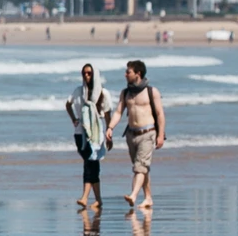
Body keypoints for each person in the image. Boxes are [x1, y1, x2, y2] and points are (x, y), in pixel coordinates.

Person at [106, 60, 165, 209]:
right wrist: (110, 127)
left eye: (128, 72)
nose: (125, 74)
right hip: (131, 135)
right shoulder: (125, 93)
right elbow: (118, 112)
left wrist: (160, 135)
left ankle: (133, 195)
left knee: (140, 167)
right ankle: (148, 198)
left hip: (148, 133)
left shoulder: (152, 92)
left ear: (138, 74)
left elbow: (160, 114)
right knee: (142, 168)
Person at [66, 64, 111, 208]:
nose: (86, 76)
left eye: (89, 73)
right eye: (84, 73)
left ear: (95, 75)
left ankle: (85, 197)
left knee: (90, 164)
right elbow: (68, 104)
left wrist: (109, 132)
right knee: (90, 163)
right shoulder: (78, 91)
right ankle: (98, 199)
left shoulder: (103, 93)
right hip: (80, 133)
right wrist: (74, 118)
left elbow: (107, 114)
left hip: (96, 134)